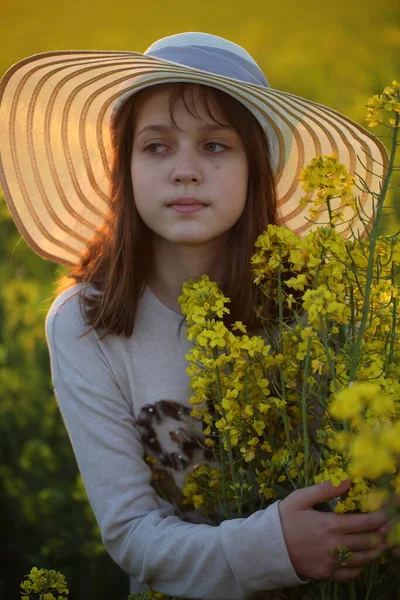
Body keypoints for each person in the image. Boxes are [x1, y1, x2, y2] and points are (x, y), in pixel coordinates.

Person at [0, 32, 390, 600]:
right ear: (124, 169)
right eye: (156, 146)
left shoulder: (316, 308)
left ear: (257, 167)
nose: (185, 170)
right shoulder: (83, 323)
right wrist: (274, 548)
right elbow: (133, 535)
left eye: (215, 146)